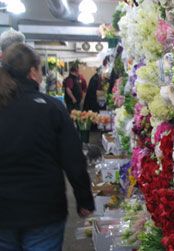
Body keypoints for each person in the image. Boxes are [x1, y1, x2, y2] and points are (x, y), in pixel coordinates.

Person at [0, 44, 95, 250]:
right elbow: (73, 158)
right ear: (33, 72)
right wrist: (84, 199)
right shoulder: (51, 108)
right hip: (43, 210)